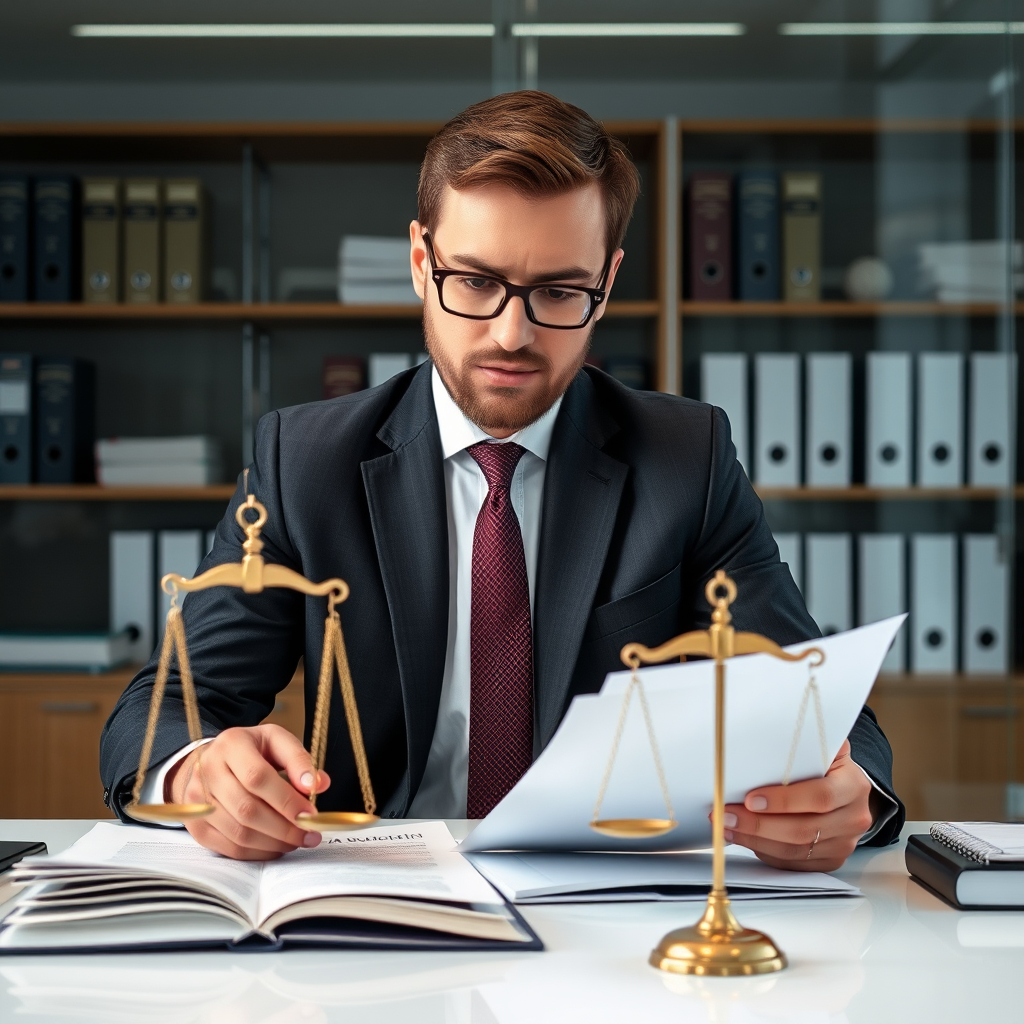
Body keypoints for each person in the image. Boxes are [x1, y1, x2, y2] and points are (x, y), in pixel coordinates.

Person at [101, 91, 903, 869]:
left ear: (607, 286)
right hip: (374, 899)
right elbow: (169, 704)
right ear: (421, 262)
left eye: (559, 291)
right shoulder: (303, 459)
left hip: (608, 916)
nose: (511, 334)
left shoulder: (685, 457)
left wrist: (848, 793)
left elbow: (820, 707)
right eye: (476, 283)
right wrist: (203, 769)